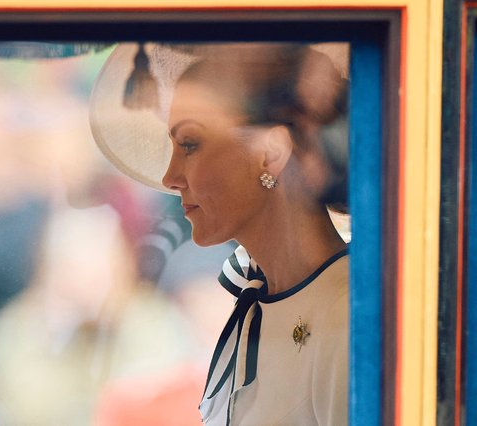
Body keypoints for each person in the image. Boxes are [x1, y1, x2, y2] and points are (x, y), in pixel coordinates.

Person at [90, 42, 350, 425]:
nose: (170, 177)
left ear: (270, 153)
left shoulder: (345, 316)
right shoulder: (254, 303)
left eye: (190, 144)